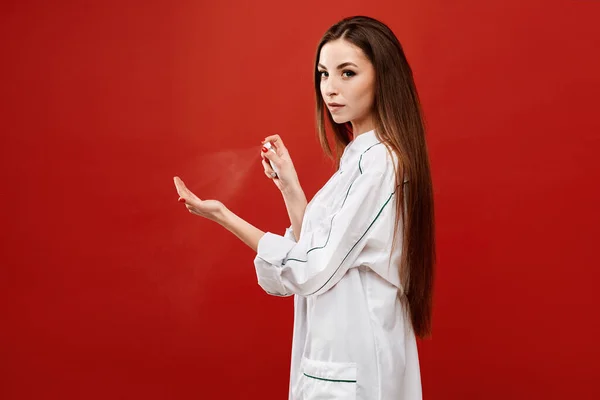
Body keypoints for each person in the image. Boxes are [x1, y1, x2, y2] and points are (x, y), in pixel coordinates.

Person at [173, 15, 435, 400]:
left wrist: (223, 216)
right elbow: (321, 249)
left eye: (347, 73)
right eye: (323, 74)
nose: (330, 89)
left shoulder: (380, 163)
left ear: (383, 77)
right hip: (342, 352)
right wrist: (290, 187)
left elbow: (311, 268)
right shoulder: (358, 158)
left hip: (358, 357)